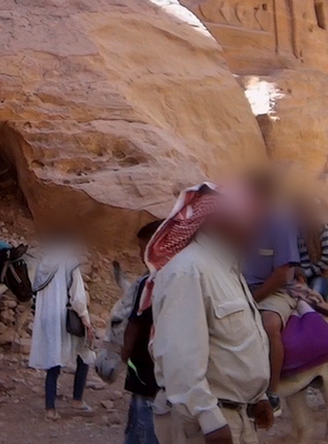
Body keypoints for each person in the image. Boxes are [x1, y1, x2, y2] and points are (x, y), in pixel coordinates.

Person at [148, 183, 273, 444]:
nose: (256, 230)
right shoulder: (188, 271)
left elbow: (235, 345)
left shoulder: (227, 270)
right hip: (209, 423)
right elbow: (180, 358)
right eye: (247, 220)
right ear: (217, 222)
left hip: (237, 416)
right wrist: (210, 421)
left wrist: (258, 398)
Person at [242, 180, 302, 415]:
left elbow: (281, 273)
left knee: (269, 324)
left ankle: (272, 392)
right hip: (241, 288)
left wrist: (254, 299)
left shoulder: (281, 224)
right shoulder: (242, 224)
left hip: (273, 291)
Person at [29, 238, 95, 420]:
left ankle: (50, 409)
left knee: (53, 360)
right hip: (66, 318)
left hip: (46, 318)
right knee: (85, 354)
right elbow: (78, 297)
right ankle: (77, 400)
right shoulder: (69, 263)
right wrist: (86, 320)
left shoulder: (43, 265)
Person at [121, 220, 164, 444]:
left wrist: (123, 353)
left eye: (143, 248)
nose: (140, 255)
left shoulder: (149, 283)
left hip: (146, 371)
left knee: (144, 429)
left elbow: (134, 324)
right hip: (153, 372)